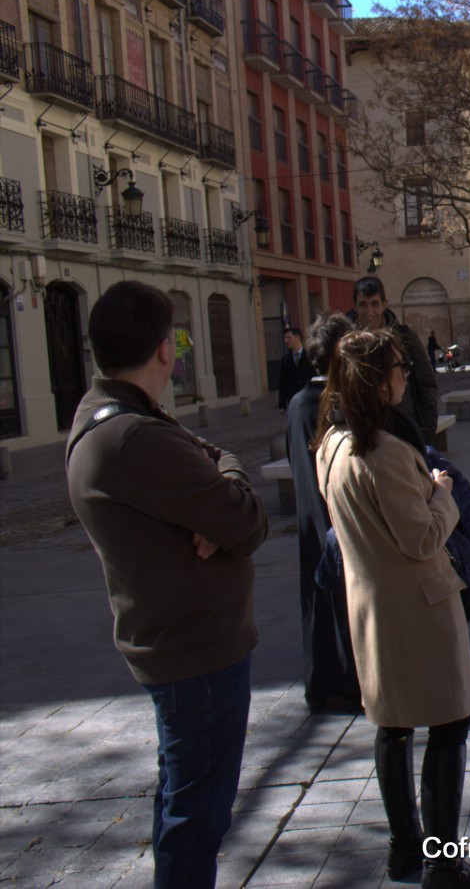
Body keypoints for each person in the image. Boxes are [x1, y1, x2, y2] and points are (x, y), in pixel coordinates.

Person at [65, 280, 269, 888]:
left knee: (182, 804)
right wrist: (222, 496)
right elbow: (250, 520)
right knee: (196, 817)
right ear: (165, 351)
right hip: (196, 654)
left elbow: (210, 455)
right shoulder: (134, 437)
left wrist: (214, 495)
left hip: (179, 647)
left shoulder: (110, 415)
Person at [314, 329, 470, 889]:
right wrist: (442, 491)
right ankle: (442, 865)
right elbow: (421, 538)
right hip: (418, 606)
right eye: (398, 366)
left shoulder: (331, 442)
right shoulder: (385, 451)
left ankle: (406, 852)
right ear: (377, 378)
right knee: (449, 724)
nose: (405, 374)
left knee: (393, 726)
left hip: (373, 608)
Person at [286, 312, 362, 713]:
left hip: (313, 518)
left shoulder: (301, 403)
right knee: (335, 601)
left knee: (322, 601)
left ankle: (327, 682)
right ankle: (344, 683)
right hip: (330, 517)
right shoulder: (319, 404)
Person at [350, 276, 439, 445]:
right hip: (365, 437)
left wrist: (426, 436)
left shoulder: (405, 338)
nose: (369, 312)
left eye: (375, 304)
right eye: (363, 304)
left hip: (404, 433)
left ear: (385, 304)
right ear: (354, 306)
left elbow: (427, 386)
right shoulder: (349, 343)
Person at [277, 326, 314, 412]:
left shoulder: (310, 356)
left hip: (308, 398)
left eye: (289, 337)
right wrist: (282, 405)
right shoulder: (285, 359)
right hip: (293, 400)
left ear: (298, 337)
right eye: (285, 338)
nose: (286, 340)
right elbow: (282, 382)